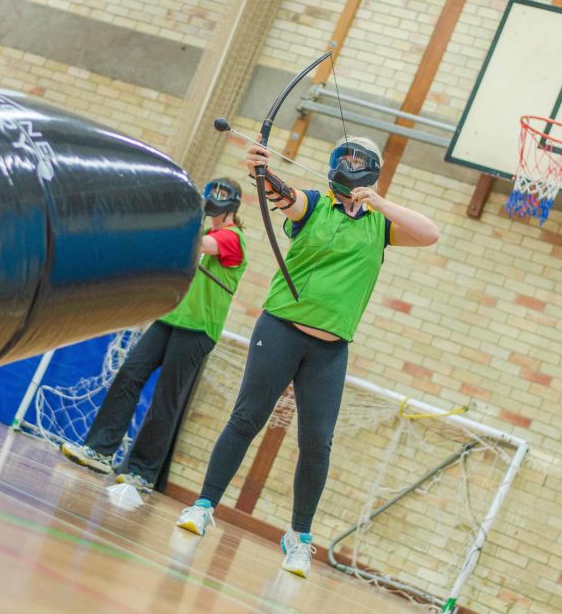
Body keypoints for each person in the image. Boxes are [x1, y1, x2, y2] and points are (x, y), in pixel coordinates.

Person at [175, 136, 440, 578]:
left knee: (318, 442)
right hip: (280, 329)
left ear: (372, 170)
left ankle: (298, 538)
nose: (348, 165)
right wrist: (260, 170)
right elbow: (283, 195)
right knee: (247, 417)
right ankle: (203, 507)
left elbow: (430, 233)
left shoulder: (381, 226)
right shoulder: (315, 204)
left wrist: (379, 202)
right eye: (342, 157)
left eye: (357, 160)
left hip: (330, 348)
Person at [61, 178, 248, 494]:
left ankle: (142, 472)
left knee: (165, 399)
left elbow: (203, 245)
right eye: (212, 192)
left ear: (233, 204)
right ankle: (99, 450)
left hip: (198, 329)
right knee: (130, 374)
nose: (215, 198)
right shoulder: (201, 233)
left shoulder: (233, 238)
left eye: (222, 194)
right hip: (169, 318)